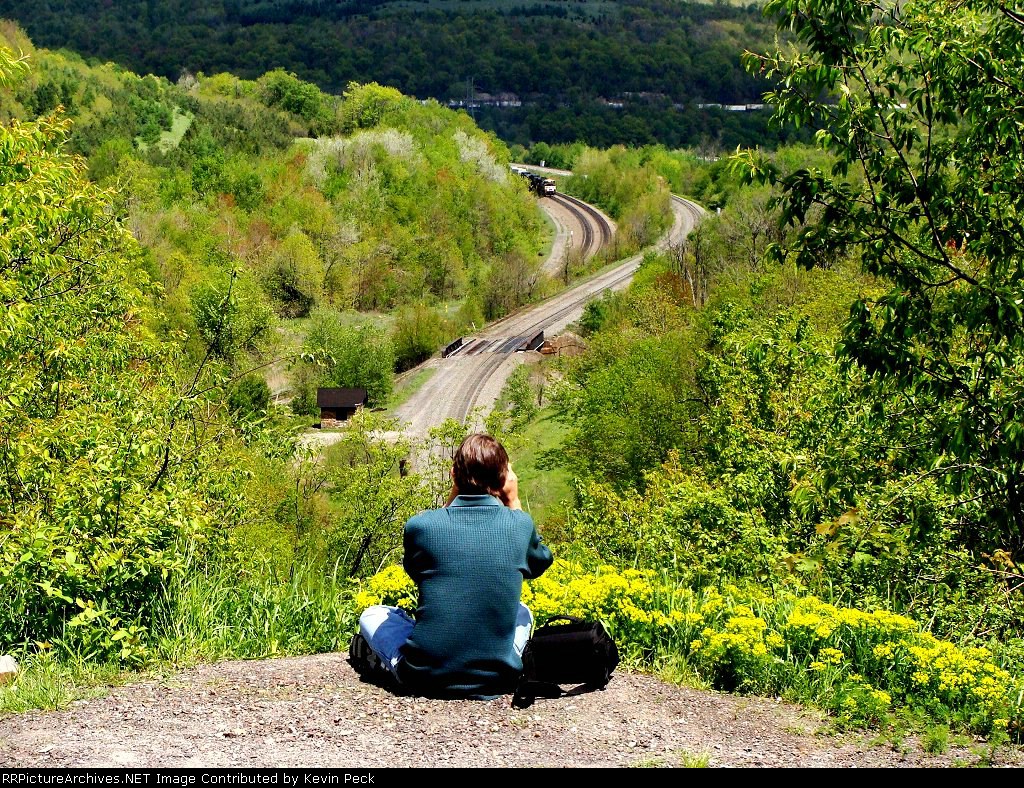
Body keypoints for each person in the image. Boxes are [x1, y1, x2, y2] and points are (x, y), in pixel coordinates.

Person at [353, 433, 553, 699]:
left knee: (373, 615)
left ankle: (392, 660)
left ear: (453, 475)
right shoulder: (519, 524)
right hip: (498, 679)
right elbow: (540, 564)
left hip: (423, 676)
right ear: (504, 479)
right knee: (522, 612)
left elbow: (418, 573)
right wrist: (514, 503)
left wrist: (453, 495)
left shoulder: (420, 526)